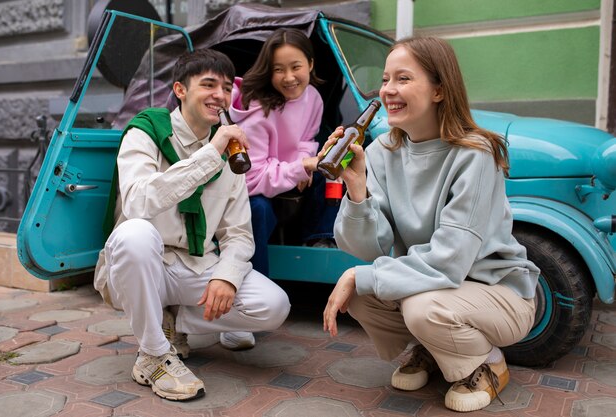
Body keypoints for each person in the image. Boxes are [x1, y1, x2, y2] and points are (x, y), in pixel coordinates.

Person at [322, 37, 540, 413]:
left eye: (403, 79)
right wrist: (357, 190)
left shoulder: (475, 153)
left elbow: (450, 260)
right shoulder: (379, 152)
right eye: (386, 79)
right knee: (362, 292)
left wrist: (362, 275)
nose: (388, 90)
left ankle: (487, 363)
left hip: (499, 294)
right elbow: (366, 248)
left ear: (439, 89)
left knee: (418, 305)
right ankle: (432, 349)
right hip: (437, 287)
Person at [94, 49, 291, 401]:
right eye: (209, 84)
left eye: (226, 87)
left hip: (194, 266)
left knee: (273, 305)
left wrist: (227, 275)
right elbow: (138, 202)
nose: (220, 94)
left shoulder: (232, 152)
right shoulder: (145, 133)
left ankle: (172, 321)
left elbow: (238, 233)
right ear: (181, 90)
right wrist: (209, 153)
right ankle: (154, 353)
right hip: (142, 266)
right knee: (135, 234)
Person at [228, 28, 338, 277]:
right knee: (258, 209)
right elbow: (250, 178)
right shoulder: (258, 113)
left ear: (310, 64)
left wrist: (305, 162)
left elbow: (306, 139)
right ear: (269, 72)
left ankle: (320, 237)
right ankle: (256, 278)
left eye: (295, 66)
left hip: (286, 175)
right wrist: (300, 168)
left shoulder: (313, 98)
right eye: (278, 70)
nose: (288, 77)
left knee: (331, 168)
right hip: (257, 187)